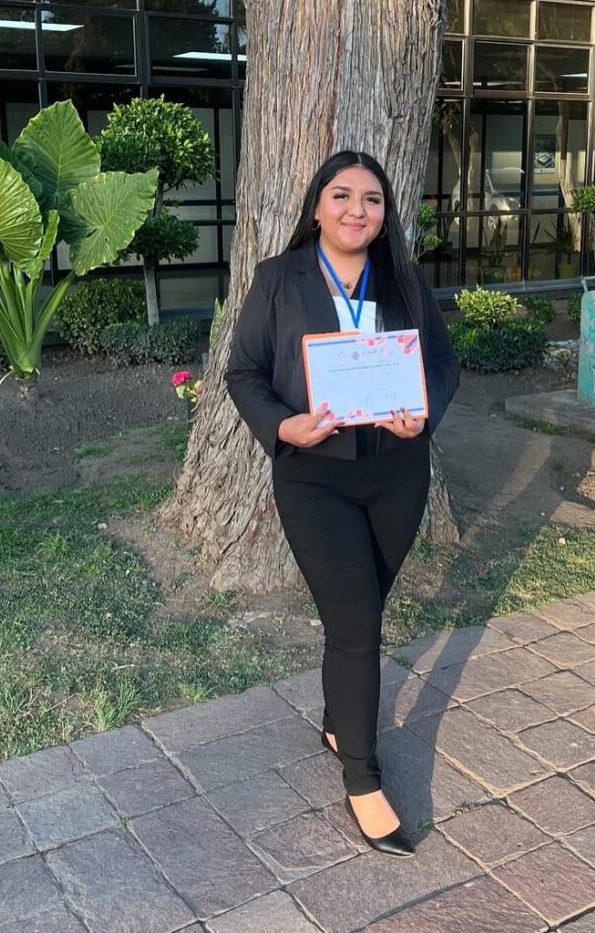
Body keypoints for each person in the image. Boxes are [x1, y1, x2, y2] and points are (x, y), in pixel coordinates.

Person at [225, 150, 460, 856]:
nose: (358, 210)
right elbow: (243, 372)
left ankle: (338, 721)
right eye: (343, 195)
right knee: (358, 626)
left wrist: (424, 413)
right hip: (315, 477)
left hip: (397, 474)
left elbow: (442, 364)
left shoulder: (403, 279)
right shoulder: (278, 278)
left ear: (385, 213)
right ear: (317, 206)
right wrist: (281, 426)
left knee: (358, 615)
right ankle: (362, 777)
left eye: (372, 199)